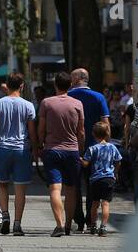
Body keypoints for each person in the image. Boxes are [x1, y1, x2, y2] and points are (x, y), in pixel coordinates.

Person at [0, 72, 38, 236]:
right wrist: (35, 150)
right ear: (22, 86)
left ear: (7, 85)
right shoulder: (28, 105)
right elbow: (32, 131)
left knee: (2, 184)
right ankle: (17, 224)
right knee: (20, 189)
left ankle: (5, 215)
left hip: (2, 148)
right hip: (22, 150)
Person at [37, 71, 85, 237]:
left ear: (55, 85)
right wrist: (80, 150)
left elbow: (41, 129)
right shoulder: (78, 104)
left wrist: (39, 146)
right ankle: (68, 225)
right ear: (70, 85)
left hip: (52, 150)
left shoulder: (46, 103)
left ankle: (59, 224)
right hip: (72, 151)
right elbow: (81, 131)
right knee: (71, 189)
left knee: (55, 189)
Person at [66, 67, 109, 231]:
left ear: (76, 80)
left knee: (74, 186)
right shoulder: (99, 97)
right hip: (96, 149)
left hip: (73, 148)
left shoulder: (67, 96)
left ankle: (78, 219)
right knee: (94, 185)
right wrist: (107, 144)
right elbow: (105, 123)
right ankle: (91, 220)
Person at [82, 120, 121, 238]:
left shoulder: (92, 148)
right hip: (109, 179)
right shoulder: (113, 147)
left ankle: (93, 225)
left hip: (95, 180)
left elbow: (85, 164)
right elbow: (118, 161)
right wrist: (115, 172)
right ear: (107, 133)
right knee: (105, 204)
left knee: (94, 204)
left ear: (93, 134)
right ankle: (103, 227)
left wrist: (79, 159)